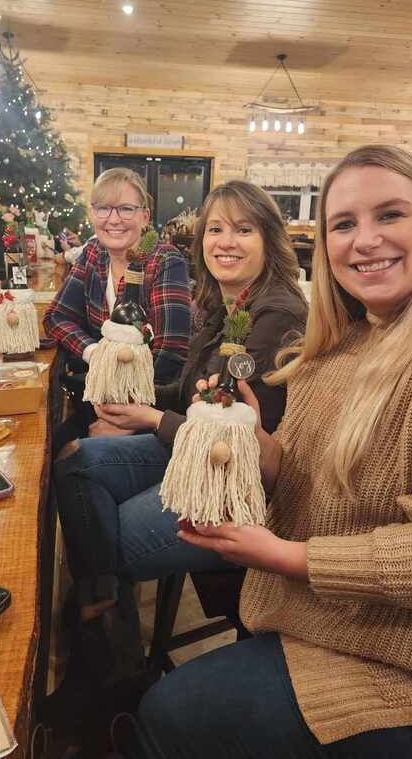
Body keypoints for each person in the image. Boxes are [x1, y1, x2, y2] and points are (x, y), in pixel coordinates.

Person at [111, 144, 412, 759]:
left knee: (162, 715)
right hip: (302, 613)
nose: (365, 241)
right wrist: (254, 441)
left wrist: (285, 555)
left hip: (382, 653)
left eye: (391, 215)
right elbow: (299, 472)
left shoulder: (282, 318)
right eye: (343, 224)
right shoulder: (337, 345)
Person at [53, 179, 307, 656]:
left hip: (233, 485)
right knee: (73, 459)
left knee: (109, 534)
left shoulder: (277, 316)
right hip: (192, 449)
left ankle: (110, 649)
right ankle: (108, 623)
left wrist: (149, 418)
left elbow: (238, 442)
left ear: (269, 241)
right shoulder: (224, 304)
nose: (225, 242)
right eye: (215, 229)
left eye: (243, 230)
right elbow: (194, 392)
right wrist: (134, 409)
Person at [44, 167, 191, 442]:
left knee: (69, 461)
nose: (113, 220)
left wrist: (120, 418)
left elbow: (170, 353)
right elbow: (55, 317)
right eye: (103, 209)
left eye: (125, 209)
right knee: (51, 445)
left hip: (150, 409)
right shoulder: (93, 254)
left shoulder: (165, 260)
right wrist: (95, 353)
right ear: (92, 214)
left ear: (144, 216)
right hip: (99, 399)